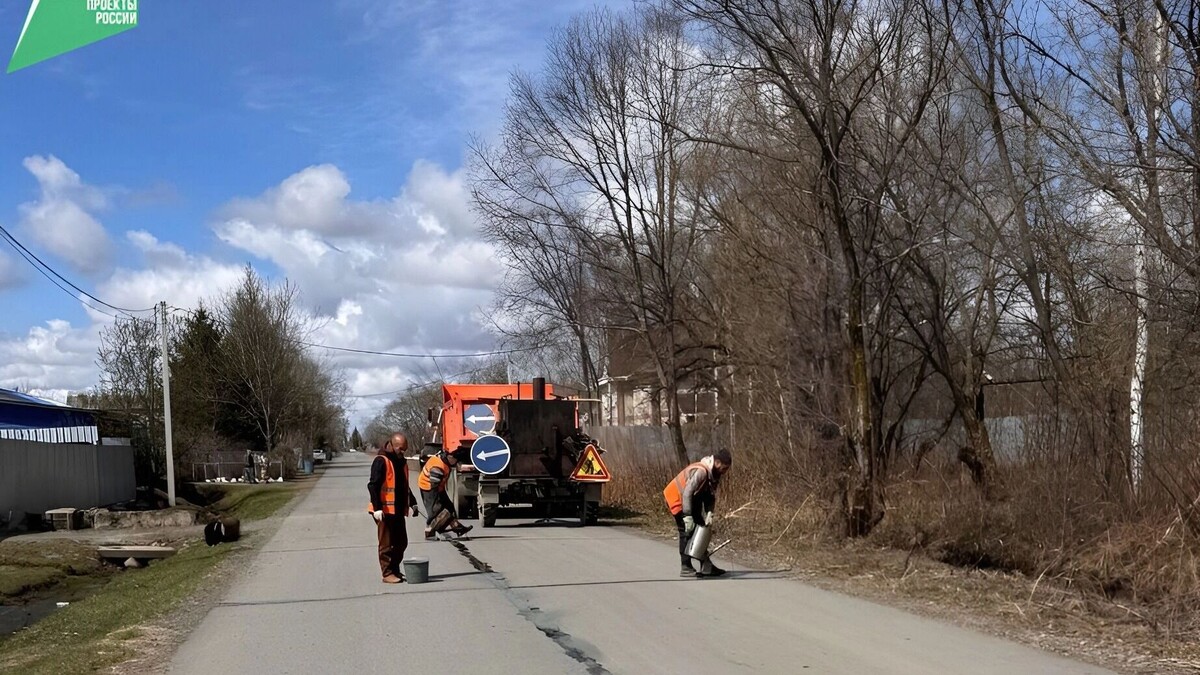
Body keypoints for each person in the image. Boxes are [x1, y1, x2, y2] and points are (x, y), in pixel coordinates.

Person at [663, 448, 732, 578]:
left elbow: (710, 496)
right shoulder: (701, 472)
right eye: (725, 468)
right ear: (717, 463)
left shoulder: (713, 475)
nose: (725, 471)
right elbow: (687, 493)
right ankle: (686, 567)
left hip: (689, 500)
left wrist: (710, 513)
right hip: (677, 499)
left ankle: (707, 566)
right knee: (686, 531)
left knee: (700, 529)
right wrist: (688, 516)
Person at [367, 433, 420, 583]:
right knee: (386, 544)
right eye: (400, 449)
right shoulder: (381, 461)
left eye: (405, 449)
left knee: (401, 542)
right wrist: (377, 508)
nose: (402, 452)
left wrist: (412, 502)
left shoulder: (401, 462)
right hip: (383, 511)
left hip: (397, 510)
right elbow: (373, 485)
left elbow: (404, 486)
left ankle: (395, 570)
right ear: (391, 444)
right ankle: (387, 573)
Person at [418, 448, 473, 540]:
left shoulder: (446, 461)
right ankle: (429, 533)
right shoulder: (438, 465)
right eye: (455, 460)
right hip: (428, 487)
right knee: (436, 510)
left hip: (438, 486)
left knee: (449, 507)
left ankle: (457, 527)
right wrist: (437, 502)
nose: (456, 463)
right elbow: (434, 487)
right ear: (450, 457)